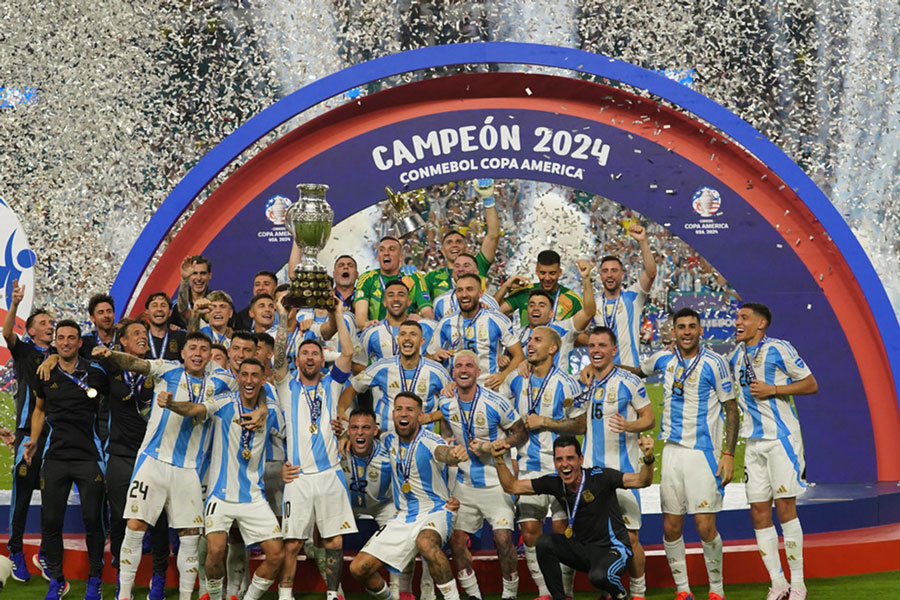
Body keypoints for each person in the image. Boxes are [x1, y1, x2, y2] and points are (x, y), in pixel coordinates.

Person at [95, 332, 264, 600]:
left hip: (189, 469)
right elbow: (136, 364)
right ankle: (124, 595)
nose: (198, 353)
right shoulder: (168, 369)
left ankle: (186, 597)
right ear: (183, 353)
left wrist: (263, 408)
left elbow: (254, 387)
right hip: (153, 462)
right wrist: (111, 355)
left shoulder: (221, 380)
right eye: (192, 348)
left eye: (203, 349)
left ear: (209, 356)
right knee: (135, 526)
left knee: (190, 536)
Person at [157, 358, 285, 600]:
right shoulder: (225, 403)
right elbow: (195, 409)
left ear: (262, 379)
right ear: (237, 378)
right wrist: (172, 404)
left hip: (253, 497)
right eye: (244, 374)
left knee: (277, 554)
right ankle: (216, 597)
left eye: (255, 375)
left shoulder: (272, 412)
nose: (249, 380)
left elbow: (292, 436)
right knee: (215, 551)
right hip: (220, 495)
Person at [637, 308, 738, 600]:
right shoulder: (663, 358)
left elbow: (731, 408)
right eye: (681, 327)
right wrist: (600, 367)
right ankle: (683, 590)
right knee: (670, 525)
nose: (686, 331)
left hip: (703, 454)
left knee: (705, 526)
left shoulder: (715, 363)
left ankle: (717, 590)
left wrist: (728, 453)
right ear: (673, 331)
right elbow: (636, 372)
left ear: (700, 330)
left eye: (692, 326)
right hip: (671, 452)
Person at [491, 434, 657, 600]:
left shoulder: (600, 477)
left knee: (599, 577)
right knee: (544, 543)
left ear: (581, 459)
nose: (565, 464)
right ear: (555, 462)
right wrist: (499, 460)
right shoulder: (555, 482)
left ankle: (619, 594)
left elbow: (642, 480)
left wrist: (648, 459)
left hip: (613, 549)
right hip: (584, 550)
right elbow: (512, 486)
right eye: (559, 459)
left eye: (570, 458)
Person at [729, 303, 818, 600]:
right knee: (758, 511)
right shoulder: (736, 356)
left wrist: (774, 390)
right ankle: (778, 584)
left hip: (781, 439)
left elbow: (810, 384)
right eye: (737, 317)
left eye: (744, 318)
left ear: (761, 323)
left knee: (785, 508)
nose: (738, 321)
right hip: (753, 443)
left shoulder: (779, 348)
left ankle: (799, 584)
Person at [272, 294, 357, 600]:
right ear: (298, 360)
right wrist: (283, 318)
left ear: (322, 360)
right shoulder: (286, 385)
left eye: (315, 354)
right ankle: (285, 593)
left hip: (330, 473)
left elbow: (348, 352)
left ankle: (332, 594)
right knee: (293, 543)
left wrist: (338, 311)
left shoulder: (331, 384)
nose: (309, 358)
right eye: (304, 354)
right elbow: (277, 359)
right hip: (298, 476)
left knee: (334, 541)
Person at [348, 392, 468, 600]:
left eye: (410, 410)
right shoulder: (389, 439)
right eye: (399, 409)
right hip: (403, 516)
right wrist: (343, 437)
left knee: (426, 543)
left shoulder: (430, 440)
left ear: (420, 416)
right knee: (359, 568)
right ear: (393, 414)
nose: (403, 413)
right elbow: (370, 433)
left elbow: (442, 452)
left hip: (435, 511)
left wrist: (453, 454)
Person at [88, 319, 171, 600]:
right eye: (135, 333)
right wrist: (52, 357)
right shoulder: (111, 370)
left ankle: (158, 577)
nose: (142, 337)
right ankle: (125, 582)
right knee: (122, 518)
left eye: (144, 333)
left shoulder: (157, 369)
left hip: (151, 456)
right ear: (121, 341)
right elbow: (82, 373)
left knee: (157, 518)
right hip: (121, 455)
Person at [500, 326, 585, 599]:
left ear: (552, 349)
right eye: (529, 340)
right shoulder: (517, 380)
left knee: (562, 534)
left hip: (562, 469)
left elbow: (581, 424)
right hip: (528, 467)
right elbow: (498, 409)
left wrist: (546, 422)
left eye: (537, 340)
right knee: (530, 532)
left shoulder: (567, 383)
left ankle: (566, 593)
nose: (530, 344)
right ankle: (545, 592)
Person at [25, 320, 106, 600]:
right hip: (55, 457)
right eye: (61, 338)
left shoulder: (96, 373)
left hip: (88, 457)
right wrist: (35, 439)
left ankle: (94, 580)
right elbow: (39, 409)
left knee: (93, 520)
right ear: (55, 342)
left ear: (80, 342)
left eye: (72, 338)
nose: (67, 342)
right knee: (50, 522)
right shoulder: (45, 373)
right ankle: (57, 580)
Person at [436, 351, 526, 600]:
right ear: (453, 372)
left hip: (497, 483)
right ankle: (474, 595)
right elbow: (446, 431)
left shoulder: (496, 402)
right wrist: (449, 445)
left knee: (503, 539)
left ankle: (510, 594)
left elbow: (520, 433)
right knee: (455, 539)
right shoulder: (446, 404)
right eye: (458, 366)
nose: (463, 370)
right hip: (464, 484)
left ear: (478, 372)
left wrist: (496, 446)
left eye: (469, 366)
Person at [579, 326, 655, 600]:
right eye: (592, 345)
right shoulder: (586, 382)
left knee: (631, 538)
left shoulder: (629, 381)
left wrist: (630, 424)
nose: (596, 350)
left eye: (602, 345)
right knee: (599, 539)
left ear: (613, 350)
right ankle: (610, 592)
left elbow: (649, 418)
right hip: (592, 473)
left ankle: (638, 593)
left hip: (624, 472)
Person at [1, 280, 50, 582]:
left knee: (53, 498)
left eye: (51, 323)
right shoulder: (25, 352)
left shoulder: (63, 352)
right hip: (26, 435)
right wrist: (16, 304)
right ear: (31, 330)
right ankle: (15, 550)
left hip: (57, 437)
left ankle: (46, 552)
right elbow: (7, 333)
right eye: (43, 323)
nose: (49, 326)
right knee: (21, 499)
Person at [343, 320, 450, 432]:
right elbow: (352, 388)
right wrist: (341, 411)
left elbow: (454, 403)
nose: (407, 338)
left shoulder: (437, 371)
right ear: (398, 340)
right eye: (403, 334)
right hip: (386, 437)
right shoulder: (382, 367)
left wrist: (430, 417)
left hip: (423, 440)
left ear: (422, 341)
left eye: (413, 334)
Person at [428, 273, 524, 390]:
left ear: (480, 293)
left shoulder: (496, 320)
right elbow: (428, 357)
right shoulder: (446, 322)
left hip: (488, 388)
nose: (464, 295)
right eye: (459, 290)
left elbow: (519, 355)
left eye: (469, 289)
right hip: (455, 391)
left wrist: (503, 375)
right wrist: (434, 357)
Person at [514, 260, 596, 374]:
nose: (536, 308)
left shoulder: (563, 329)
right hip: (527, 390)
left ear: (551, 314)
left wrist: (586, 279)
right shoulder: (517, 336)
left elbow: (588, 312)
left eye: (542, 305)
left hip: (558, 389)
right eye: (532, 305)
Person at [424, 178, 500, 299]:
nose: (454, 245)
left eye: (459, 242)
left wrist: (488, 200)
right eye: (449, 242)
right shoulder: (431, 278)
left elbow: (493, 235)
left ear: (466, 247)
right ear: (442, 250)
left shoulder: (477, 266)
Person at [594, 223, 657, 367]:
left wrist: (642, 241)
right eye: (605, 271)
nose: (609, 275)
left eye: (614, 271)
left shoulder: (633, 297)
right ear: (601, 276)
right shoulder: (594, 302)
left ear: (622, 275)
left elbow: (651, 273)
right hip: (602, 373)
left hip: (629, 371)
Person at [354, 236, 433, 328]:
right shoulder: (367, 279)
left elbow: (427, 312)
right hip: (376, 332)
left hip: (408, 332)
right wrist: (367, 324)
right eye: (382, 250)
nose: (386, 253)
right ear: (378, 257)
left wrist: (421, 319)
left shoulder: (414, 277)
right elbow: (360, 317)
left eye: (391, 249)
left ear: (400, 257)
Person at [496, 250, 583, 326]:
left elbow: (581, 334)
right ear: (536, 271)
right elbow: (492, 312)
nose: (547, 278)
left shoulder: (573, 300)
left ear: (560, 272)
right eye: (543, 273)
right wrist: (505, 287)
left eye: (552, 273)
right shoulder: (525, 292)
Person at [353, 280, 417, 368]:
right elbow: (357, 365)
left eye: (401, 295)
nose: (396, 299)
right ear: (384, 302)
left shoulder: (421, 330)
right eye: (391, 295)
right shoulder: (371, 332)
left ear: (409, 301)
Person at [431, 253, 500, 321]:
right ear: (453, 272)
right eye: (457, 266)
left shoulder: (490, 303)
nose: (460, 269)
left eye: (466, 266)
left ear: (476, 272)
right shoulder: (440, 302)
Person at [144, 291, 186, 360]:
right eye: (154, 305)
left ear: (170, 312)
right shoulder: (141, 338)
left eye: (163, 305)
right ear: (147, 312)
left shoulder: (182, 338)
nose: (159, 309)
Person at [175, 255, 213, 325]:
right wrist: (184, 280)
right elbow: (182, 311)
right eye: (194, 273)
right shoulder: (176, 305)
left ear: (209, 275)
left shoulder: (218, 302)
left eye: (203, 273)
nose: (198, 278)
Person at [79, 293, 117, 357]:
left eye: (109, 311)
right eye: (101, 312)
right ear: (92, 318)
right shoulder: (84, 343)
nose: (106, 315)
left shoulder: (124, 337)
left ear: (114, 315)